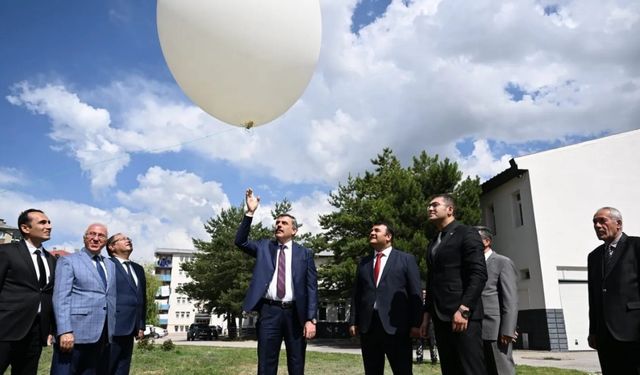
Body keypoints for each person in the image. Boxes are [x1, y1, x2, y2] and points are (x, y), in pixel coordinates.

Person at [234, 188, 318, 375]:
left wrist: (311, 319)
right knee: (266, 364)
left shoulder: (305, 254)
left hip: (296, 314)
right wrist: (250, 213)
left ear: (294, 230)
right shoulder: (264, 247)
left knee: (297, 364)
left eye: (284, 223)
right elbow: (240, 241)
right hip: (269, 312)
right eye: (277, 222)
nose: (279, 225)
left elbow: (312, 288)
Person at [421, 194, 488, 375]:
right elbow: (432, 280)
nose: (430, 208)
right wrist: (426, 316)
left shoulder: (467, 233)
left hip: (463, 316)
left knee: (471, 369)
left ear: (450, 209)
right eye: (428, 206)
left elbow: (479, 274)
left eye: (435, 205)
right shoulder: (434, 242)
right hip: (440, 318)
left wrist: (464, 309)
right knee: (450, 369)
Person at [349, 222, 423, 374]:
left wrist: (416, 324)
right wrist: (353, 321)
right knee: (372, 370)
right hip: (369, 327)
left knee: (402, 370)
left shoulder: (406, 259)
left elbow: (415, 292)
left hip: (397, 327)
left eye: (377, 230)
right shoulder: (364, 262)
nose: (372, 233)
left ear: (388, 237)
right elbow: (357, 294)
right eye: (371, 230)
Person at [51, 223, 117, 375]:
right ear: (84, 238)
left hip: (102, 335)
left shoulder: (110, 265)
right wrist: (65, 331)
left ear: (106, 241)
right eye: (91, 234)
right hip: (74, 334)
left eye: (101, 236)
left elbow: (109, 297)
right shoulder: (69, 261)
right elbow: (61, 298)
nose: (95, 238)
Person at [0, 209, 56, 375]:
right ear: (25, 228)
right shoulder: (6, 251)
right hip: (5, 328)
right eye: (42, 222)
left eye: (49, 222)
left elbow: (48, 294)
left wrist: (50, 328)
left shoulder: (51, 259)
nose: (49, 226)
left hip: (35, 332)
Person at [587, 207, 640, 374]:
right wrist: (593, 330)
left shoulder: (636, 246)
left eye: (602, 221)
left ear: (618, 224)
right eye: (595, 222)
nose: (597, 225)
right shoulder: (594, 256)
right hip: (604, 335)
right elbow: (593, 296)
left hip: (634, 331)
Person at [476, 226, 518, 375]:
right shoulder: (471, 265)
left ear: (487, 241)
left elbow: (510, 298)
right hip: (475, 328)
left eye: (474, 239)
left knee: (501, 369)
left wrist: (508, 329)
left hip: (496, 329)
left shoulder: (502, 262)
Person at [106, 233, 146, 375]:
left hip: (131, 328)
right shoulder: (107, 265)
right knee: (107, 367)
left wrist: (140, 325)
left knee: (123, 368)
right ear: (112, 247)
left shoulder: (138, 269)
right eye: (122, 239)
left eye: (129, 238)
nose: (128, 240)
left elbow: (141, 299)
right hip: (112, 326)